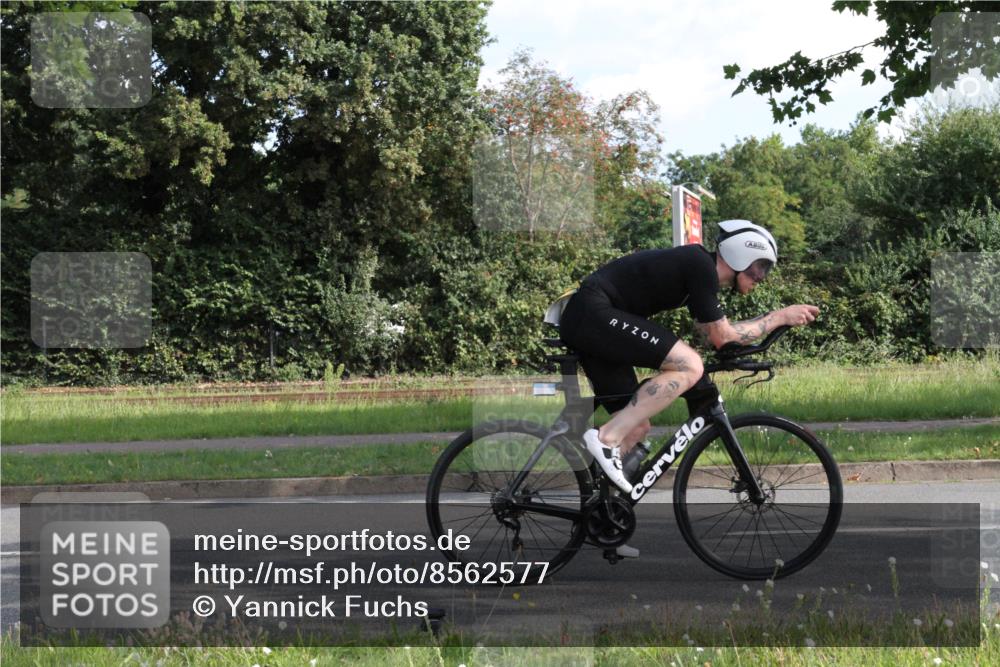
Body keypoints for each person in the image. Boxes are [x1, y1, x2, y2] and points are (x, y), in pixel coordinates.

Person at [558, 220, 819, 496]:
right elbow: (724, 337)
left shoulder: (699, 274)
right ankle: (606, 439)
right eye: (761, 266)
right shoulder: (700, 266)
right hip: (593, 313)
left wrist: (762, 333)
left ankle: (599, 510)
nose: (761, 277)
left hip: (592, 321)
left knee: (636, 427)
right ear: (741, 254)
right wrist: (779, 317)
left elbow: (716, 337)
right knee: (689, 365)